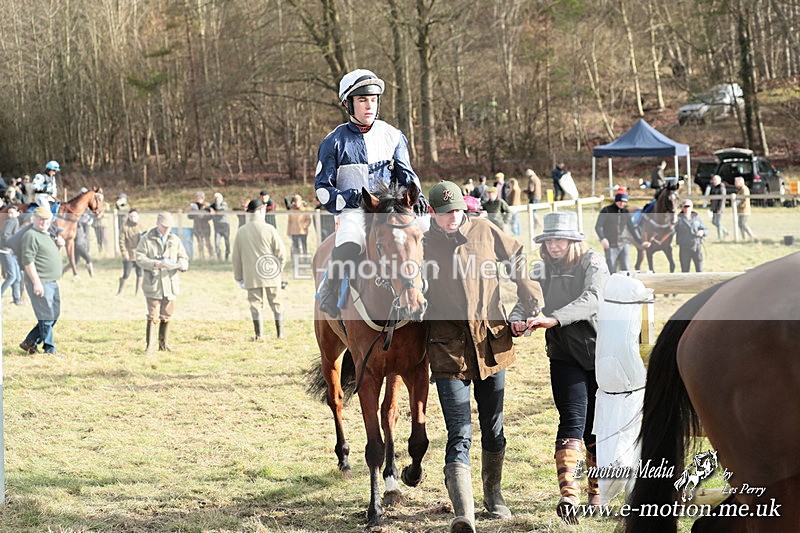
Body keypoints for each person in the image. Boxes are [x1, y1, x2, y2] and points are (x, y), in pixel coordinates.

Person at [423, 181, 542, 531]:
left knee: (493, 427)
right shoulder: (423, 242)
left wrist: (528, 299)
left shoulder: (484, 229)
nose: (452, 218)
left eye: (457, 211)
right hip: (447, 348)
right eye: (445, 213)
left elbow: (516, 254)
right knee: (459, 431)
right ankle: (464, 513)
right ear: (431, 213)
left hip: (491, 343)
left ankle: (494, 494)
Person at [314, 68, 426, 318]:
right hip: (354, 211)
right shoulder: (333, 141)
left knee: (428, 232)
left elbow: (407, 175)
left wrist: (419, 198)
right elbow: (322, 191)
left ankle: (432, 292)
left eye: (373, 100)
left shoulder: (393, 136)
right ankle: (329, 290)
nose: (369, 106)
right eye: (362, 100)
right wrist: (352, 197)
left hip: (391, 211)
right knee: (349, 243)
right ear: (348, 104)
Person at [525, 211, 610, 522]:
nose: (553, 246)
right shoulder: (541, 267)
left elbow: (594, 298)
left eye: (559, 240)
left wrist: (555, 318)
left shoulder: (593, 261)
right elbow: (529, 299)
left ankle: (596, 492)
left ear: (574, 240)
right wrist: (520, 317)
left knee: (596, 427)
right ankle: (569, 495)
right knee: (572, 420)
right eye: (549, 241)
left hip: (599, 352)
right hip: (563, 354)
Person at [232, 198, 288, 340]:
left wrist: (238, 277)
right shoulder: (270, 229)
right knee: (276, 302)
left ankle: (259, 335)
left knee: (255, 304)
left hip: (251, 274)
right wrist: (279, 268)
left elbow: (236, 257)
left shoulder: (241, 231)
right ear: (261, 210)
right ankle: (280, 334)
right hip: (271, 272)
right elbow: (281, 252)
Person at [135, 212, 189, 352]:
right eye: (164, 226)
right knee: (152, 314)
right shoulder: (147, 239)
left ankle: (163, 345)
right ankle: (149, 346)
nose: (167, 230)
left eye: (169, 227)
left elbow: (183, 256)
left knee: (167, 314)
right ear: (157, 223)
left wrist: (182, 264)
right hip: (153, 283)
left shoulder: (175, 240)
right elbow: (139, 257)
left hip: (170, 283)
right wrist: (155, 264)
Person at [18, 207, 65, 355]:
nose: (44, 222)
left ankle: (30, 342)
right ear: (34, 219)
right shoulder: (31, 235)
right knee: (46, 316)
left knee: (53, 315)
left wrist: (59, 246)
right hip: (41, 281)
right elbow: (28, 261)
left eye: (47, 219)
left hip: (51, 281)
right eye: (41, 219)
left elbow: (48, 255)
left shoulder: (46, 234)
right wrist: (36, 283)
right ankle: (50, 349)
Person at [594, 189, 639, 273]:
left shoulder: (626, 212)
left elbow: (632, 228)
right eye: (620, 201)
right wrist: (603, 238)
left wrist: (640, 240)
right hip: (610, 245)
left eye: (624, 202)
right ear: (616, 200)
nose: (622, 204)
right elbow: (598, 226)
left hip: (624, 245)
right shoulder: (606, 210)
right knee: (611, 270)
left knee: (626, 270)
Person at [117, 209, 144, 295]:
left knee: (140, 273)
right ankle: (120, 292)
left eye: (135, 216)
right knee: (126, 274)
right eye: (131, 216)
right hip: (129, 254)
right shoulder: (125, 227)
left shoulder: (142, 227)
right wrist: (124, 253)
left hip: (139, 254)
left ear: (138, 217)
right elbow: (121, 242)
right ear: (128, 217)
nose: (133, 218)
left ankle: (137, 292)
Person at [675, 199, 706, 273]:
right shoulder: (678, 219)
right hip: (684, 247)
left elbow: (705, 229)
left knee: (700, 270)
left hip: (696, 246)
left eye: (688, 206)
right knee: (685, 271)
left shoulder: (697, 218)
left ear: (692, 207)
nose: (687, 208)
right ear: (682, 208)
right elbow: (671, 231)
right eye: (685, 206)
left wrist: (702, 232)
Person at [1, 206, 23, 305]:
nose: (10, 215)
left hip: (11, 252)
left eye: (12, 213)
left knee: (17, 277)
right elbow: (5, 235)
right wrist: (12, 244)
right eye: (9, 213)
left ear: (18, 213)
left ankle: (16, 299)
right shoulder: (12, 221)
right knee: (12, 276)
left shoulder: (15, 221)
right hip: (6, 251)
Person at [209, 192, 231, 261]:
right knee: (217, 243)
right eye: (215, 198)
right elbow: (208, 209)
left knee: (227, 242)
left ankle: (227, 257)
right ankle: (219, 258)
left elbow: (219, 208)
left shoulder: (224, 204)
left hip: (225, 226)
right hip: (217, 228)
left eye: (217, 198)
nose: (216, 199)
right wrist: (210, 209)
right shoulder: (213, 205)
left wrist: (216, 205)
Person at [709, 174, 729, 239]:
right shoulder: (713, 187)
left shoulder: (721, 187)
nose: (714, 181)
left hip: (719, 208)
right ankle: (726, 231)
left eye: (715, 180)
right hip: (714, 208)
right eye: (713, 180)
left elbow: (723, 199)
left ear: (719, 180)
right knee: (714, 222)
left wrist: (720, 209)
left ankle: (720, 236)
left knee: (718, 222)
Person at [733, 176, 754, 241]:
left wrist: (736, 202)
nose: (735, 183)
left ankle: (751, 236)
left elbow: (743, 198)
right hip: (740, 210)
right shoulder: (740, 189)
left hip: (744, 210)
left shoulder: (744, 189)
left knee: (743, 224)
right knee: (740, 224)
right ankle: (744, 238)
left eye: (736, 182)